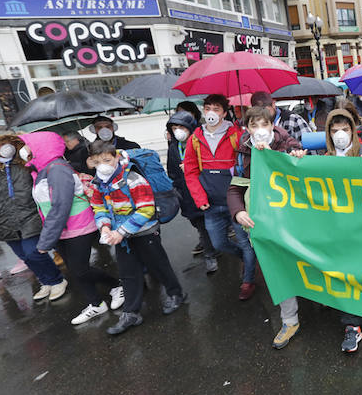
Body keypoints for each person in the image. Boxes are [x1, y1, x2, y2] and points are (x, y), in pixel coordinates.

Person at [21, 132, 124, 325]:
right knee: (76, 270)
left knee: (80, 270)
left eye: (27, 145)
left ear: (41, 147)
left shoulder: (57, 169)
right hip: (62, 229)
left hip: (79, 227)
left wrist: (45, 241)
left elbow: (61, 206)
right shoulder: (40, 170)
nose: (24, 150)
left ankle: (117, 285)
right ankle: (96, 303)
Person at [87, 140, 187, 335]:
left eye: (107, 160)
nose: (103, 166)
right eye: (98, 162)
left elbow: (146, 209)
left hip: (145, 232)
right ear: (91, 162)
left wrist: (120, 232)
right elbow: (99, 208)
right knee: (128, 273)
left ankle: (176, 294)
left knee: (158, 266)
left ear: (116, 157)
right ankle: (131, 312)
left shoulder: (133, 179)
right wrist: (105, 227)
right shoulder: (98, 183)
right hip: (120, 237)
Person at [227, 106, 305, 343]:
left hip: (296, 220)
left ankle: (325, 302)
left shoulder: (289, 144)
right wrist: (238, 211)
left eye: (264, 124)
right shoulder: (242, 152)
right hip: (265, 222)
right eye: (254, 125)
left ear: (273, 125)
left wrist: (296, 159)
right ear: (247, 128)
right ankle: (289, 320)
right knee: (277, 268)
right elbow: (235, 188)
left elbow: (308, 179)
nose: (259, 130)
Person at [183, 95, 254, 299]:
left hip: (237, 203)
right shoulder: (195, 139)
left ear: (224, 112)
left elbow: (245, 166)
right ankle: (247, 258)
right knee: (218, 243)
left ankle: (248, 281)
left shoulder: (237, 135)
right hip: (211, 205)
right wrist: (199, 198)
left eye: (216, 108)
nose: (211, 113)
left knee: (245, 242)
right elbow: (190, 171)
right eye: (207, 108)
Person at [0, 134, 66, 301]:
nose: (8, 148)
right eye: (3, 144)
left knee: (33, 252)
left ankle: (57, 280)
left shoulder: (25, 165)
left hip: (29, 215)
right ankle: (46, 281)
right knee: (24, 257)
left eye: (11, 144)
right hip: (2, 221)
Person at [321, 109, 362, 352]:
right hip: (337, 229)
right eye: (334, 130)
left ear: (353, 130)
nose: (340, 134)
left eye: (345, 129)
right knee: (345, 274)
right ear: (329, 134)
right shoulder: (322, 157)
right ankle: (352, 325)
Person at [166, 110, 218, 272]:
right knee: (197, 223)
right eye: (174, 128)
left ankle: (210, 254)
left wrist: (193, 167)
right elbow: (172, 172)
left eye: (181, 127)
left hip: (203, 191)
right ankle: (210, 245)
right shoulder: (173, 148)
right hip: (186, 194)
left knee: (206, 224)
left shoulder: (200, 143)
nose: (178, 131)